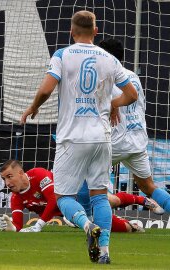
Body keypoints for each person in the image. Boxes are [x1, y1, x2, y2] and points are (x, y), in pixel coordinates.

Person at [20, 10, 138, 264]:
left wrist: (34, 107)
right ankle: (104, 251)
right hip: (101, 138)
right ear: (96, 32)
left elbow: (47, 88)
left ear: (71, 32)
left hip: (72, 138)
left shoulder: (63, 55)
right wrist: (109, 105)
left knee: (63, 197)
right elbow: (132, 95)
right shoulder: (110, 59)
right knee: (99, 195)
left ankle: (86, 226)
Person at [97, 38, 170, 214]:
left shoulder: (106, 78)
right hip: (137, 140)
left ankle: (89, 220)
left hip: (115, 141)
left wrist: (112, 105)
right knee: (148, 186)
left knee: (90, 182)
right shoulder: (133, 76)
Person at [0, 160, 147, 234]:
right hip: (74, 214)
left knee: (111, 200)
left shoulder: (38, 175)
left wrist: (39, 224)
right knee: (125, 229)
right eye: (4, 179)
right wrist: (12, 228)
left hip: (78, 195)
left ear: (21, 173)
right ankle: (131, 226)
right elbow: (17, 226)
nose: (7, 182)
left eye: (9, 176)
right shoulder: (16, 198)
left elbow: (54, 199)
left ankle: (143, 200)